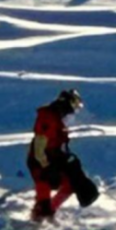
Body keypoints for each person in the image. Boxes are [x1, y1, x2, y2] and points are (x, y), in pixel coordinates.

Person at [27, 89, 84, 222]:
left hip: (54, 159)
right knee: (44, 191)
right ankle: (40, 216)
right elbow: (39, 146)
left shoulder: (59, 119)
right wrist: (46, 166)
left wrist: (68, 159)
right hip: (40, 162)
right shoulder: (48, 118)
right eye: (74, 106)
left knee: (71, 184)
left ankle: (49, 211)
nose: (74, 112)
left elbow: (60, 143)